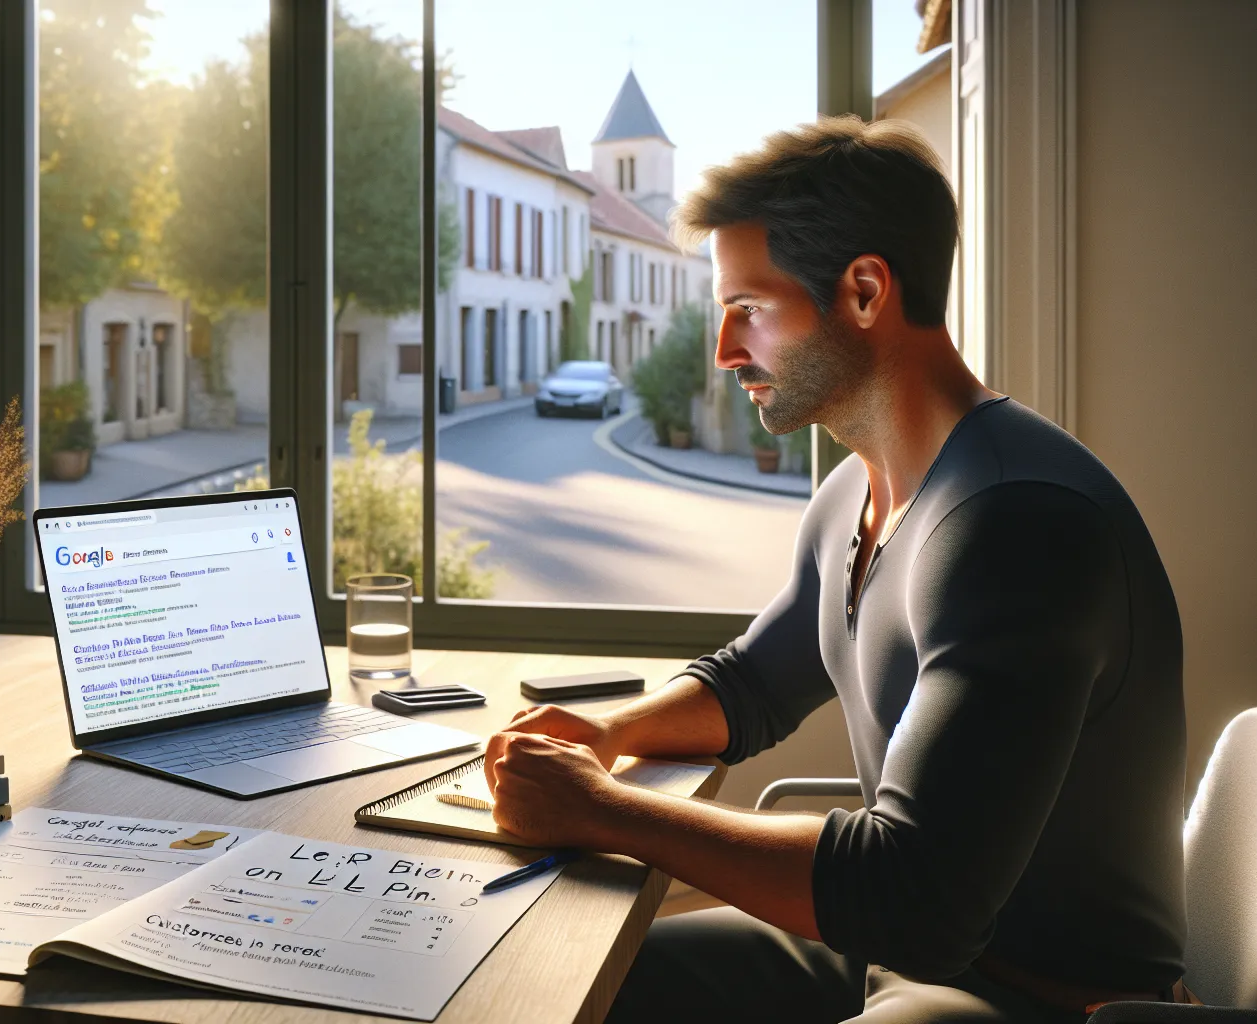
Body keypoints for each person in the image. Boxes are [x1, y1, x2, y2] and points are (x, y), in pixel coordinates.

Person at [483, 116, 1186, 1023]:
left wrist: (604, 813)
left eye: (750, 310)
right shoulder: (857, 488)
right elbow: (752, 687)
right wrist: (606, 737)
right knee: (563, 981)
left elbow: (916, 900)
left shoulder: (1018, 525)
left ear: (862, 291)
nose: (727, 350)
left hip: (1033, 1002)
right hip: (892, 957)